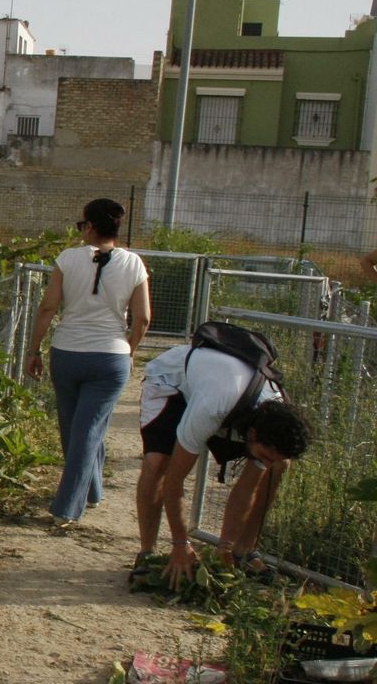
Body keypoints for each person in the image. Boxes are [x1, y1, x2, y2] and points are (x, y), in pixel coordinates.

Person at [130, 342, 313, 585]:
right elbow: (174, 481)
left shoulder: (273, 416)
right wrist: (181, 544)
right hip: (172, 384)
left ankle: (241, 552)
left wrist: (224, 548)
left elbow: (248, 487)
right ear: (253, 435)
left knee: (279, 468)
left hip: (231, 399)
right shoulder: (212, 408)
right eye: (267, 455)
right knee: (158, 463)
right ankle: (147, 555)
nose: (267, 462)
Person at [26, 198, 152, 527]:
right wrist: (129, 349)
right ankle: (89, 491)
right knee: (87, 428)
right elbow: (143, 318)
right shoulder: (134, 263)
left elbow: (48, 308)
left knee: (75, 429)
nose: (80, 230)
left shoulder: (68, 259)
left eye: (81, 224)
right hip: (110, 357)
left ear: (91, 227)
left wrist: (33, 349)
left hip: (67, 353)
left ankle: (68, 506)